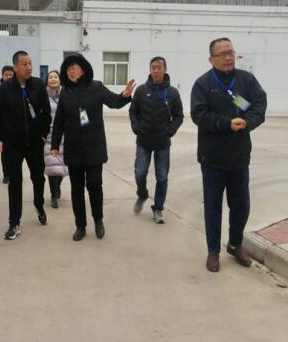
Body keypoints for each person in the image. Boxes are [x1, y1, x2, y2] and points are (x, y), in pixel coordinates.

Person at [191, 37, 267, 273]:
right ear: (211, 59)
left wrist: (247, 122)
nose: (228, 57)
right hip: (212, 158)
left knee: (241, 205)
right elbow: (199, 115)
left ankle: (235, 244)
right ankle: (213, 251)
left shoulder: (246, 80)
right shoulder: (203, 84)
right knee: (213, 207)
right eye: (222, 54)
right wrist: (226, 123)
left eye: (230, 52)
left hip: (239, 157)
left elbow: (259, 105)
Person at [51, 54, 135, 241]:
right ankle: (80, 225)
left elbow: (113, 102)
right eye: (68, 68)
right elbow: (59, 121)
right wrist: (55, 144)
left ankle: (98, 221)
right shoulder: (65, 92)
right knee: (76, 190)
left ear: (83, 69)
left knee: (95, 186)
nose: (71, 71)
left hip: (94, 147)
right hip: (73, 148)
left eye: (74, 67)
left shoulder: (96, 87)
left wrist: (125, 95)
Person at [0, 51, 51, 240]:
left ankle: (39, 204)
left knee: (38, 178)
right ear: (15, 67)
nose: (29, 67)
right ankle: (14, 222)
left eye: (30, 63)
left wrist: (43, 134)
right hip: (13, 144)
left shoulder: (38, 85)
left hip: (34, 142)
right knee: (15, 182)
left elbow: (46, 112)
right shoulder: (3, 89)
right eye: (24, 64)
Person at [129, 57, 184, 224]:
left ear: (165, 69)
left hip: (162, 142)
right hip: (143, 140)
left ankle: (158, 208)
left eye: (159, 67)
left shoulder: (172, 92)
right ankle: (142, 195)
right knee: (140, 173)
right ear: (150, 69)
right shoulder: (141, 90)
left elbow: (179, 116)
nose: (156, 70)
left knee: (162, 178)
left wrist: (170, 131)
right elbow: (133, 111)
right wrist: (136, 127)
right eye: (153, 67)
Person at [43, 70, 68, 209]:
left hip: (66, 135)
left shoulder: (67, 94)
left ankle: (57, 186)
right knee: (52, 166)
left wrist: (85, 124)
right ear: (47, 81)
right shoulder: (43, 96)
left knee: (62, 166)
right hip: (49, 136)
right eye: (50, 77)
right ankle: (53, 194)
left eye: (56, 77)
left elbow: (79, 109)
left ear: (60, 80)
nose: (53, 79)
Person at [0, 65, 15, 184]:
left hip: (17, 127)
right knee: (5, 153)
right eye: (6, 75)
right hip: (4, 128)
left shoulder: (19, 89)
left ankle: (15, 173)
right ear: (2, 76)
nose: (9, 77)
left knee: (16, 153)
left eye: (11, 75)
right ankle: (6, 174)